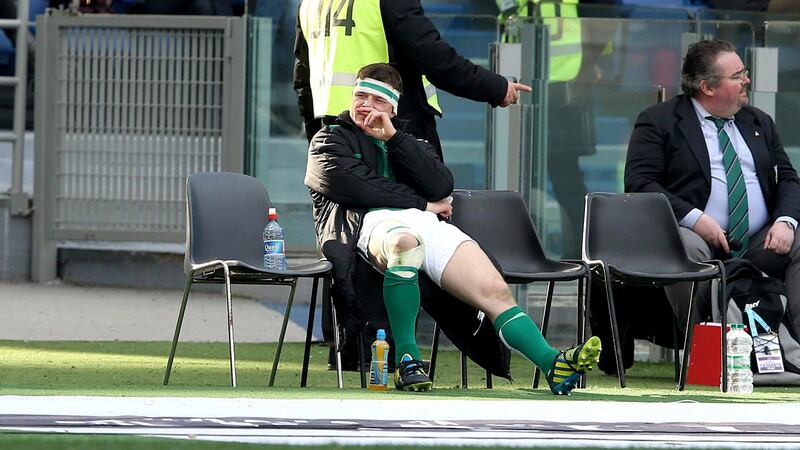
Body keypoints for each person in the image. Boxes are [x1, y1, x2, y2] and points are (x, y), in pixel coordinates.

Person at [305, 62, 601, 394]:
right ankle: (406, 360)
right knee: (404, 243)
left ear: (393, 108)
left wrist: (394, 139)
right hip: (364, 224)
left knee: (493, 288)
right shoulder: (329, 138)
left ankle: (553, 364)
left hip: (426, 224)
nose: (366, 106)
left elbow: (441, 185)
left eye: (378, 100)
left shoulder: (410, 141)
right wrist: (423, 203)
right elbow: (356, 186)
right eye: (361, 96)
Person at [625, 39, 800, 336]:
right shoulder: (659, 121)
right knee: (683, 246)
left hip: (759, 241)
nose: (747, 81)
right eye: (737, 76)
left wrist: (785, 221)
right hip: (696, 237)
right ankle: (701, 346)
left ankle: (794, 347)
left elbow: (788, 178)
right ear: (707, 87)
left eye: (744, 73)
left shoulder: (758, 122)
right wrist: (695, 219)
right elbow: (640, 183)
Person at [293, 0, 531, 156]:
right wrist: (496, 88)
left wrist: (317, 143)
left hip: (334, 134)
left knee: (345, 218)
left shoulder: (310, 3)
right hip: (390, 132)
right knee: (419, 215)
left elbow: (303, 83)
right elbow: (433, 57)